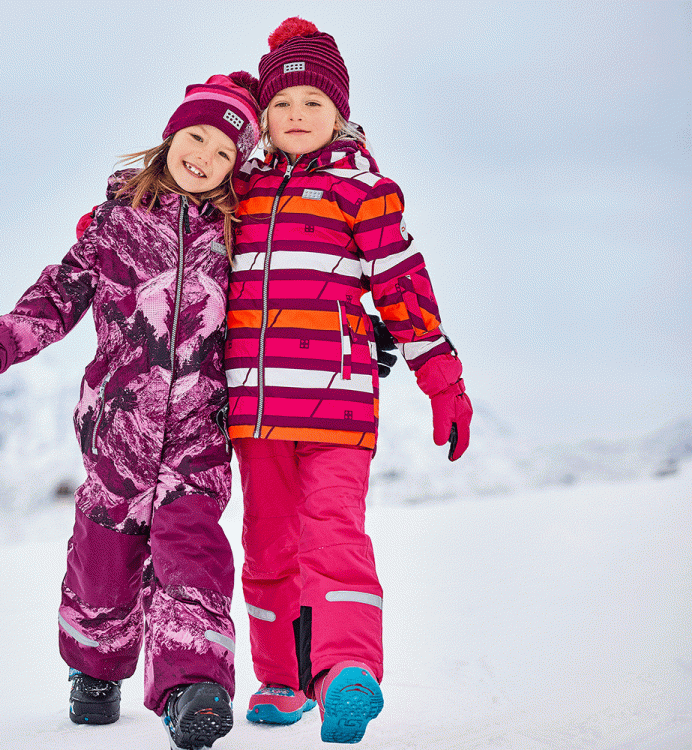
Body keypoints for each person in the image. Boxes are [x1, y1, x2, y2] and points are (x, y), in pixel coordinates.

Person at [0, 72, 261, 750]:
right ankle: (94, 666)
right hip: (118, 430)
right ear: (172, 135)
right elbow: (57, 297)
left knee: (194, 557)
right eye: (197, 137)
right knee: (103, 559)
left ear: (238, 169)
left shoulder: (240, 238)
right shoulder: (116, 223)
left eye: (224, 152)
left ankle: (192, 687)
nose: (204, 157)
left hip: (199, 437)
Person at [225, 18, 474, 744]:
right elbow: (176, 216)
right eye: (282, 104)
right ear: (263, 117)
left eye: (312, 102)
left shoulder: (365, 189)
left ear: (340, 111)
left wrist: (442, 376)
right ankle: (279, 679)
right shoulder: (242, 190)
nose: (296, 116)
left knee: (333, 535)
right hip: (254, 409)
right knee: (268, 545)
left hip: (336, 401)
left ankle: (346, 673)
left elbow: (402, 286)